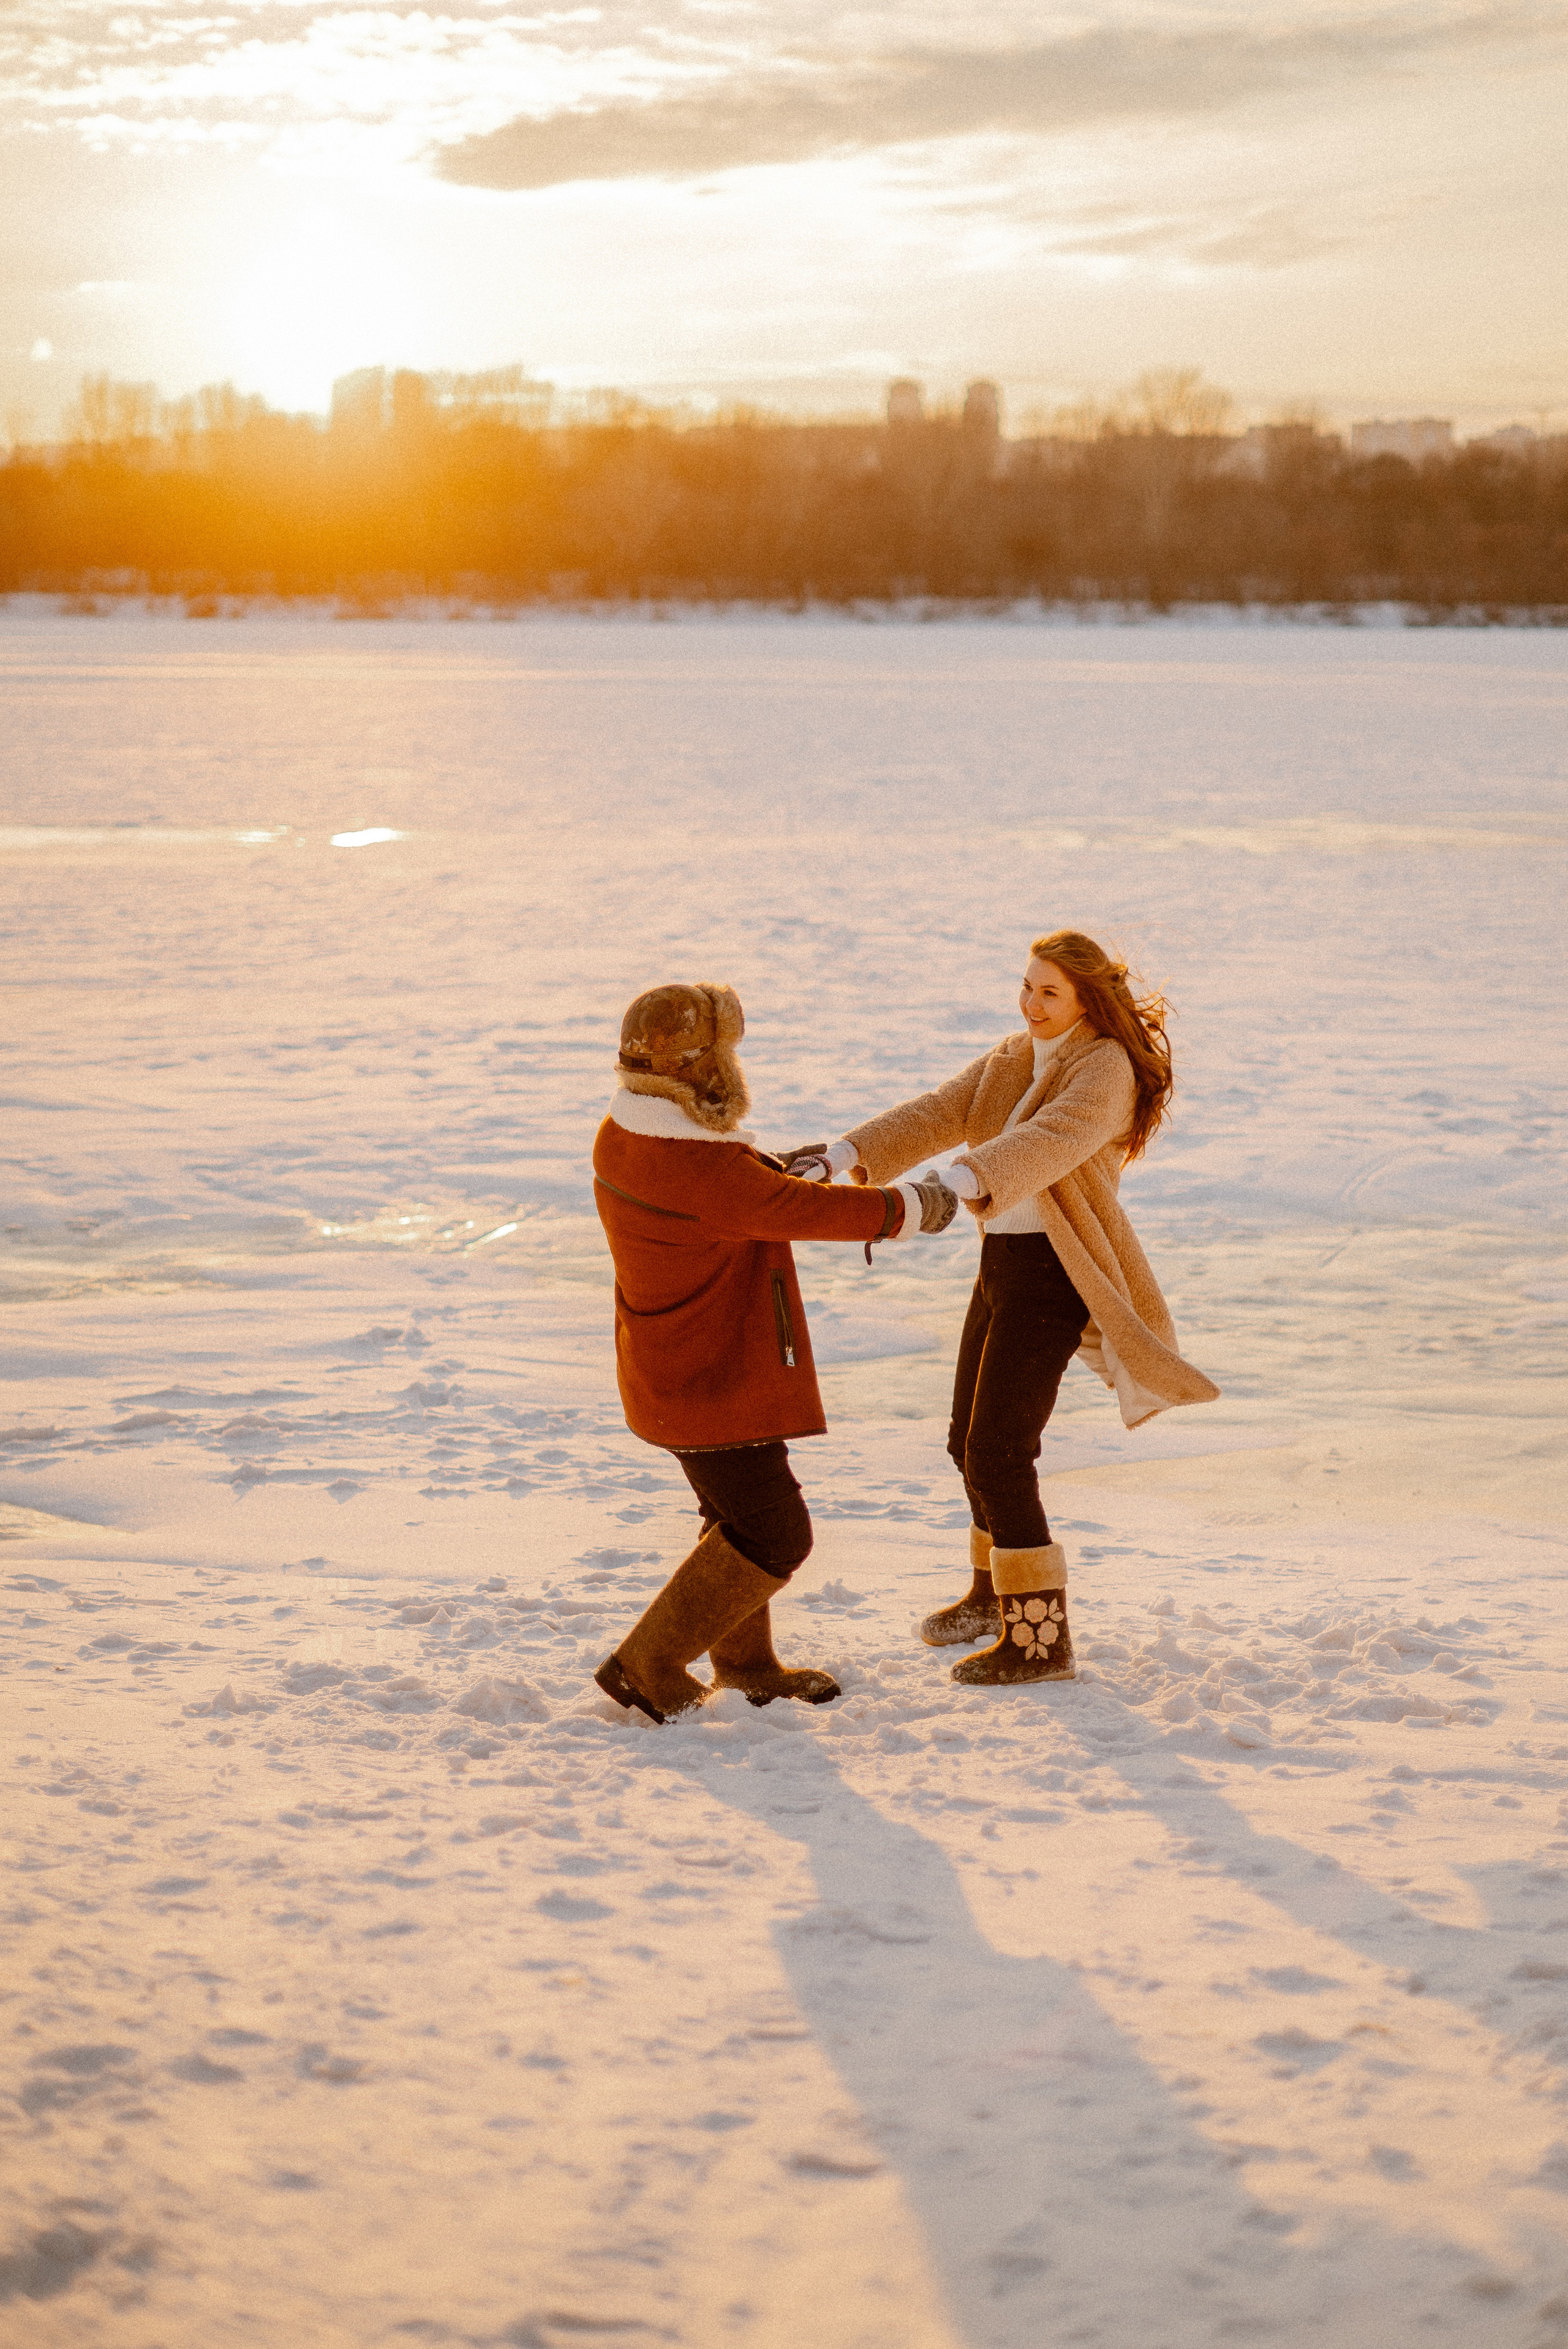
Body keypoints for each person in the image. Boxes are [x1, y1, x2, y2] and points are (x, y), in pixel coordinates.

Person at [785, 931, 1219, 1687]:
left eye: (1049, 993)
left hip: (1057, 1268)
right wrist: (839, 1156)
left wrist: (942, 1191)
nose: (1030, 1004)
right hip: (1003, 1262)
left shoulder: (1105, 1068)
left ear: (1088, 999)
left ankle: (1040, 1639)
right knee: (966, 1441)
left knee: (1000, 1450)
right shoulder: (1014, 1054)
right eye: (1026, 987)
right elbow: (937, 1111)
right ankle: (992, 1599)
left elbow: (1046, 1142)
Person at [592, 979, 958, 1725]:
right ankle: (647, 1664)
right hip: (711, 1377)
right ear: (705, 1068)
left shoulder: (630, 1134)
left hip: (676, 1364)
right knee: (775, 1532)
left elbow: (739, 1193)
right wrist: (910, 1208)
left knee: (734, 1517)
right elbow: (788, 1211)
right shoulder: (699, 1166)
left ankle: (747, 1665)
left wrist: (765, 1171)